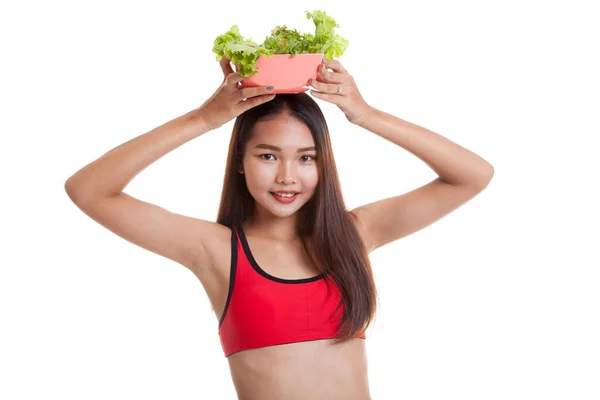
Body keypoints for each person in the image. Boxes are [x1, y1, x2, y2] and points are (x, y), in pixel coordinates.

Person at [65, 55, 494, 400]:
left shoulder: (355, 234)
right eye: (268, 156)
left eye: (306, 157)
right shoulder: (215, 251)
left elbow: (472, 175)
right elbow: (89, 191)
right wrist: (203, 119)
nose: (288, 176)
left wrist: (364, 114)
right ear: (239, 161)